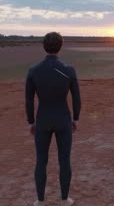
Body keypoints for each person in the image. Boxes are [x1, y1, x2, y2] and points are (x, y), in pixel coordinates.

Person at [25, 32, 81, 206]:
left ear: (44, 46)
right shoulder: (69, 70)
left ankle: (40, 201)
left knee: (41, 160)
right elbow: (77, 98)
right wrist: (75, 118)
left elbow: (28, 100)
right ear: (60, 46)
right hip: (63, 119)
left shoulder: (34, 71)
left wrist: (31, 122)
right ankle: (65, 199)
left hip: (43, 120)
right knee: (64, 160)